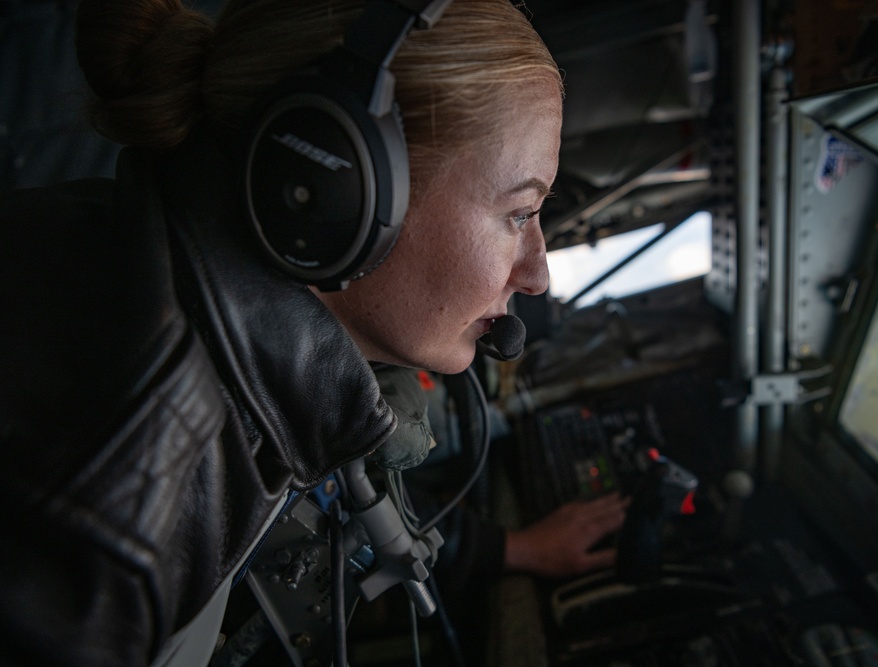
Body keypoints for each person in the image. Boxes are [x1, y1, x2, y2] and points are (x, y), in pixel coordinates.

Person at [0, 0, 563, 665]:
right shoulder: (129, 478)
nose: (537, 275)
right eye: (518, 213)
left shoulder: (128, 260)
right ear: (338, 179)